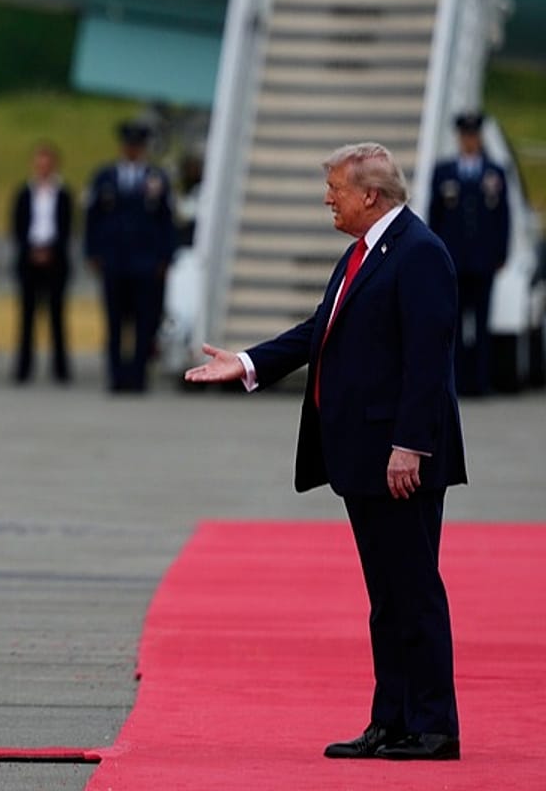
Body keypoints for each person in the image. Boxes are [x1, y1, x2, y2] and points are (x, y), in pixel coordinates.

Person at [185, 143, 464, 762]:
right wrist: (249, 361)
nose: (328, 200)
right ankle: (391, 719)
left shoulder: (419, 255)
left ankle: (434, 725)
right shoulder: (364, 253)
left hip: (400, 458)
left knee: (413, 590)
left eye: (336, 189)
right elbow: (321, 330)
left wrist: (409, 446)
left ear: (371, 195)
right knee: (386, 596)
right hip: (363, 455)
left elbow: (428, 360)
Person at [85, 120, 177, 393]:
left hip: (145, 261)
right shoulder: (105, 177)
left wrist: (164, 257)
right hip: (114, 260)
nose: (132, 150)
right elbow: (93, 218)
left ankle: (138, 376)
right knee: (114, 322)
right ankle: (116, 376)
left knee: (143, 321)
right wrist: (92, 252)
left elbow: (166, 221)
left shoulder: (156, 179)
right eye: (129, 145)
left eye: (137, 146)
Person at [428, 111, 510, 396]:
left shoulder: (494, 172)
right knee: (454, 322)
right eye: (465, 137)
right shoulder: (445, 172)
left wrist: (501, 252)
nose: (470, 142)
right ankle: (457, 381)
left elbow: (503, 217)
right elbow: (434, 217)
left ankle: (480, 380)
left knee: (482, 320)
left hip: (483, 259)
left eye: (474, 136)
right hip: (453, 259)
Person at [10, 142, 74, 384]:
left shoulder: (63, 193)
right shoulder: (25, 193)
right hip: (30, 258)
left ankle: (60, 368)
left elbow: (67, 227)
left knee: (57, 315)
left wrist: (51, 251)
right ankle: (24, 367)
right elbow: (17, 226)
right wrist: (31, 251)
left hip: (55, 259)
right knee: (26, 316)